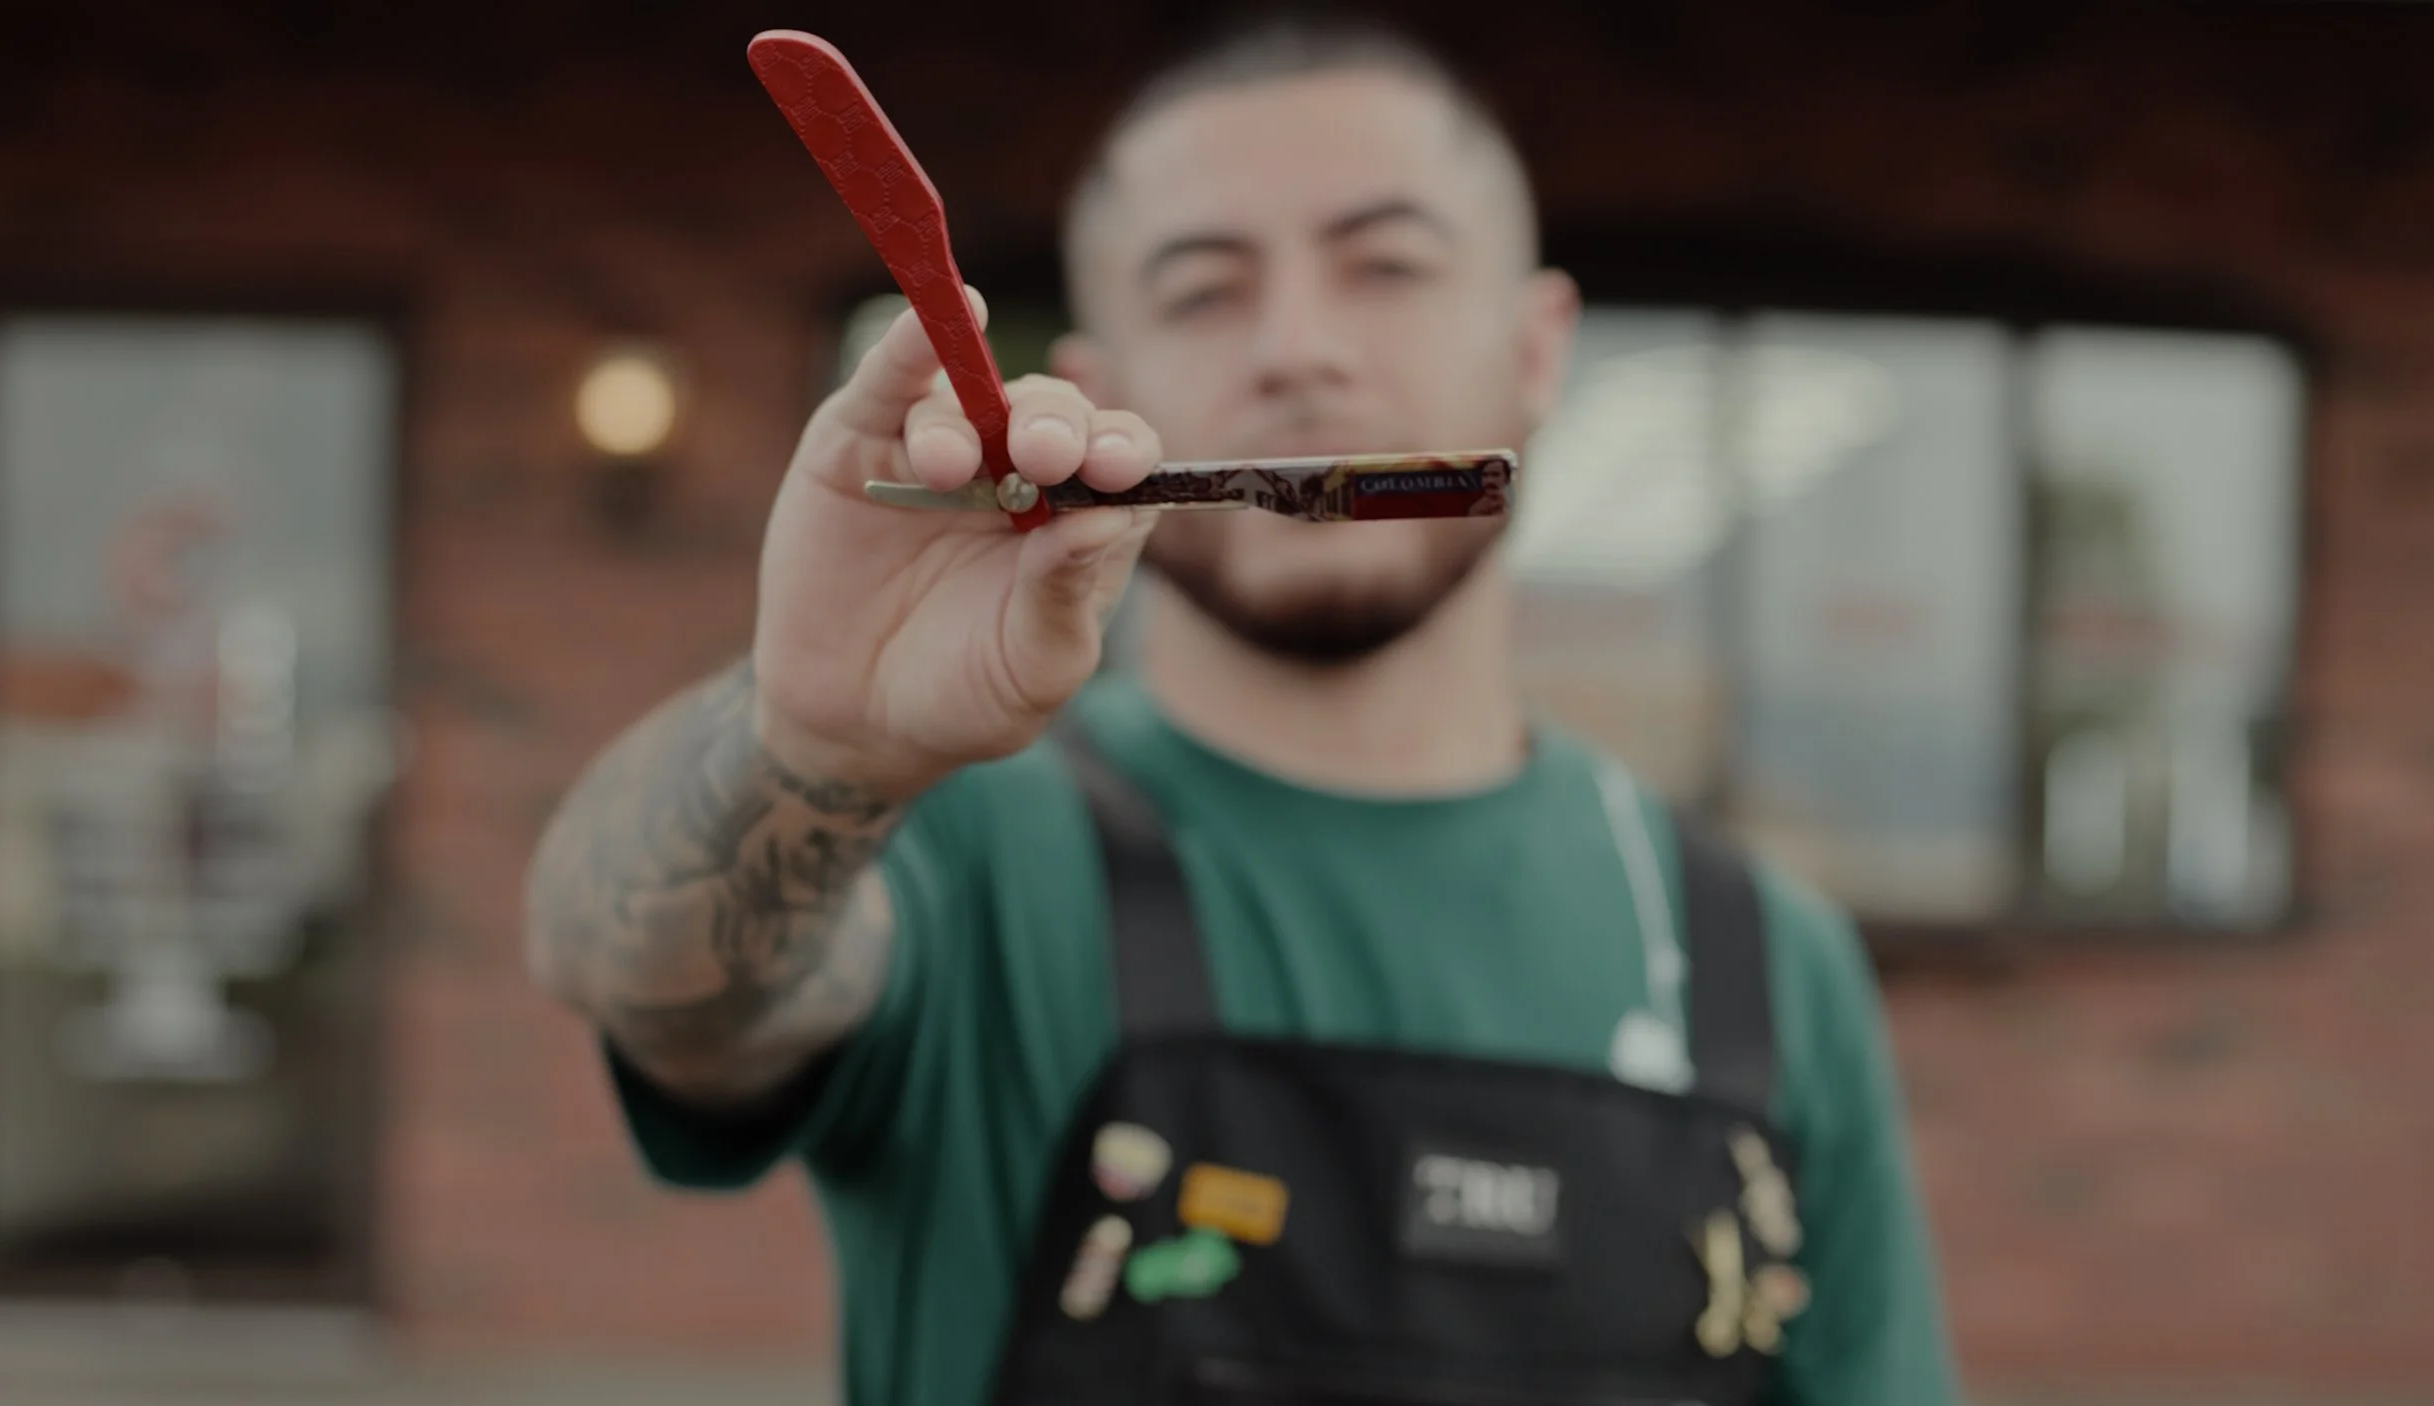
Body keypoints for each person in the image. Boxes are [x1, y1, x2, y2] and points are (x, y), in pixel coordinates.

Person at [525, 15, 1960, 1406]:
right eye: (1204, 287)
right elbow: (636, 977)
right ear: (1098, 391)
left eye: (1386, 266)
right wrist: (811, 746)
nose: (1295, 349)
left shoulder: (1765, 962)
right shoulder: (959, 845)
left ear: (1537, 349)